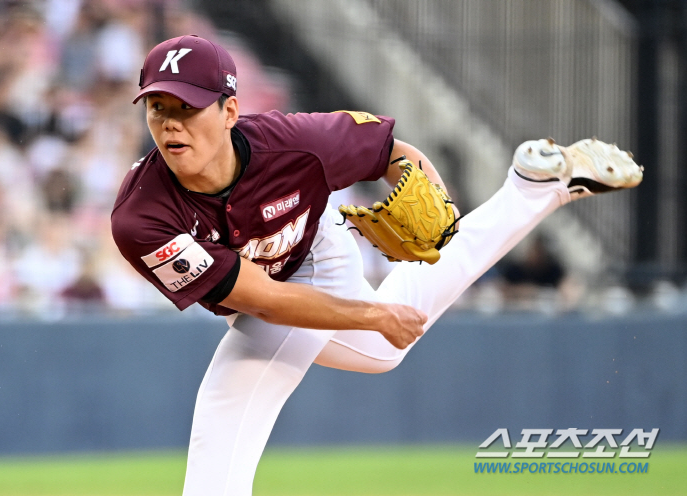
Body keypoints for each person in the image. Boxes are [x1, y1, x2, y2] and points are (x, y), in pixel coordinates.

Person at [111, 35, 643, 495]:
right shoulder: (142, 216)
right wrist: (373, 317)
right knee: (384, 347)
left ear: (229, 112)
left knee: (227, 409)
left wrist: (440, 217)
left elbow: (395, 153)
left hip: (314, 252)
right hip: (263, 286)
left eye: (188, 107)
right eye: (158, 106)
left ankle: (531, 190)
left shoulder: (298, 143)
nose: (170, 123)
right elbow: (262, 301)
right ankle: (531, 188)